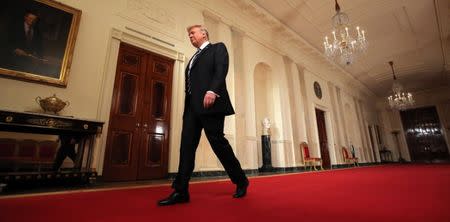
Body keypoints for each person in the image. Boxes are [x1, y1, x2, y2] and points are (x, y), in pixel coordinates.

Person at [158, 25, 249, 206]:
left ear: (204, 33)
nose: (190, 36)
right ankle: (181, 191)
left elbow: (220, 70)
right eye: (189, 34)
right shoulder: (193, 58)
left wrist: (213, 91)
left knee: (218, 144)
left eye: (193, 33)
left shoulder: (218, 48)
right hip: (192, 108)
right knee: (186, 147)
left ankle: (241, 180)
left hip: (210, 104)